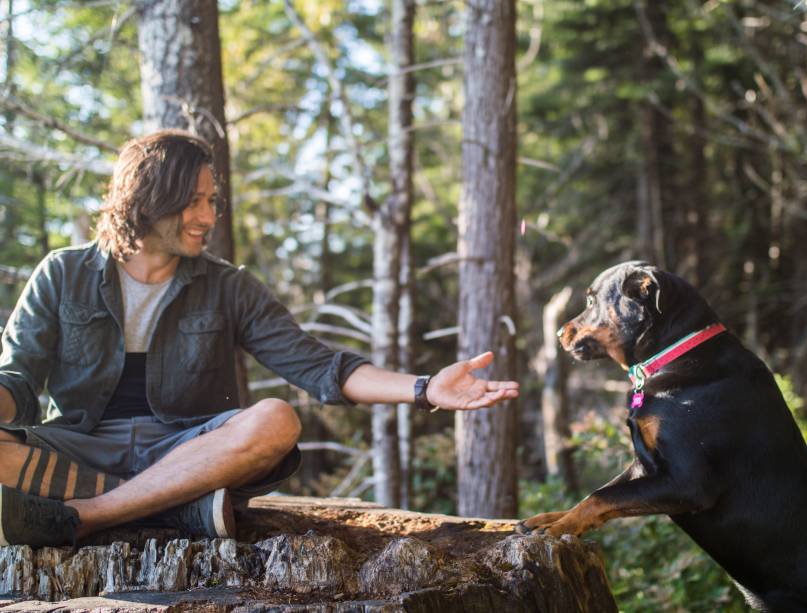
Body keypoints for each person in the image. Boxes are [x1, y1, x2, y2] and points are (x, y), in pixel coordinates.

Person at [0, 129, 518, 547]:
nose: (208, 217)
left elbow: (319, 368)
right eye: (193, 202)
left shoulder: (229, 286)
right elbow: (19, 381)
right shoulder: (62, 273)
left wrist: (425, 388)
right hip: (79, 447)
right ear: (146, 199)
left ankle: (87, 515)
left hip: (188, 451)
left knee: (276, 419)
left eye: (211, 201)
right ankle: (176, 508)